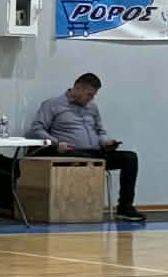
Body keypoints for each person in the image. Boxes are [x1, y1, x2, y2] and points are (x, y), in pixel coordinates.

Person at [28, 73, 145, 224]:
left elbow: (100, 131)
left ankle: (125, 207)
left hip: (96, 152)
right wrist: (56, 144)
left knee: (130, 158)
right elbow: (37, 130)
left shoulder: (92, 108)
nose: (91, 99)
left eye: (94, 95)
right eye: (89, 95)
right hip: (69, 152)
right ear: (77, 88)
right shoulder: (52, 105)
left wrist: (106, 142)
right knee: (83, 156)